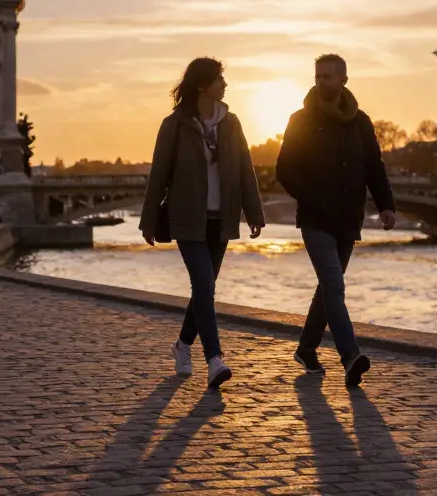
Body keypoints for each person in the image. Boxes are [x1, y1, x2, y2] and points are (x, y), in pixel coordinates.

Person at [139, 57, 265, 390]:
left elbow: (244, 169)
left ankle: (182, 346)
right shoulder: (175, 124)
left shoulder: (232, 123)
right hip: (187, 218)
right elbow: (159, 175)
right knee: (205, 285)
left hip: (220, 219)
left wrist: (254, 213)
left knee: (204, 289)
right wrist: (149, 220)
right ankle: (214, 360)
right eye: (219, 79)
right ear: (201, 85)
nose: (225, 84)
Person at [276, 53, 396, 387]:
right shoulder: (300, 119)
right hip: (315, 218)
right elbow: (284, 169)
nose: (321, 82)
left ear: (343, 80)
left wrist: (386, 205)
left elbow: (374, 166)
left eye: (327, 76)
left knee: (327, 290)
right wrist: (312, 196)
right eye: (317, 76)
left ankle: (306, 348)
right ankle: (350, 357)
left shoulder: (360, 122)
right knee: (334, 285)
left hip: (348, 218)